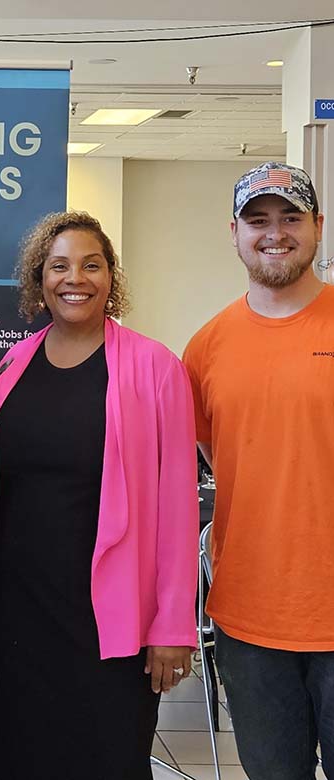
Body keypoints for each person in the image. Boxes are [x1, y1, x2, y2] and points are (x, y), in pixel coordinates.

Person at [0, 211, 199, 780]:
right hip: (19, 606)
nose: (76, 278)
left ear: (110, 276)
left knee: (106, 757)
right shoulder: (13, 363)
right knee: (22, 755)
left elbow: (177, 507)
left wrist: (173, 626)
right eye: (59, 266)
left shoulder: (155, 368)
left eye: (92, 265)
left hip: (110, 616)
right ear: (39, 279)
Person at [183, 162, 334, 780]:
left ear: (318, 227)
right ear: (234, 233)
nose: (275, 234)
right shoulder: (207, 347)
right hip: (251, 620)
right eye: (258, 221)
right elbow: (221, 458)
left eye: (291, 218)